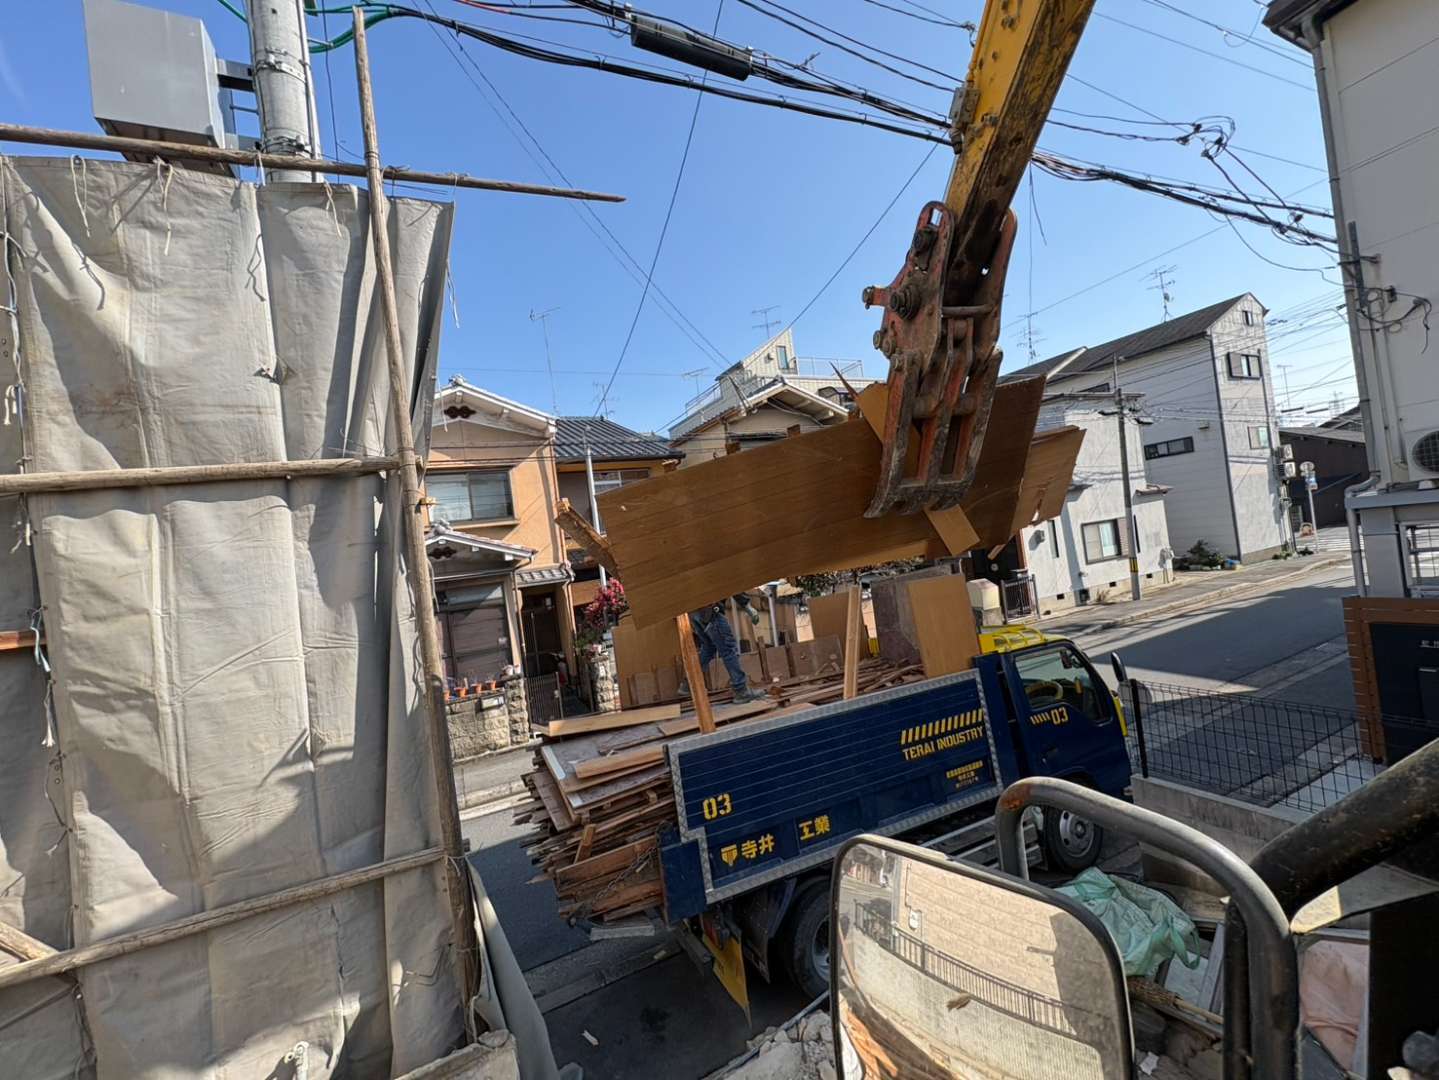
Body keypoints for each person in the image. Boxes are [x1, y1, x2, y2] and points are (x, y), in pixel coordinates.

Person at [680, 594, 764, 704]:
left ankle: (688, 684)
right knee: (729, 650)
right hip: (710, 611)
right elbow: (729, 585)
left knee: (709, 648)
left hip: (694, 612)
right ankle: (741, 691)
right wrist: (746, 605)